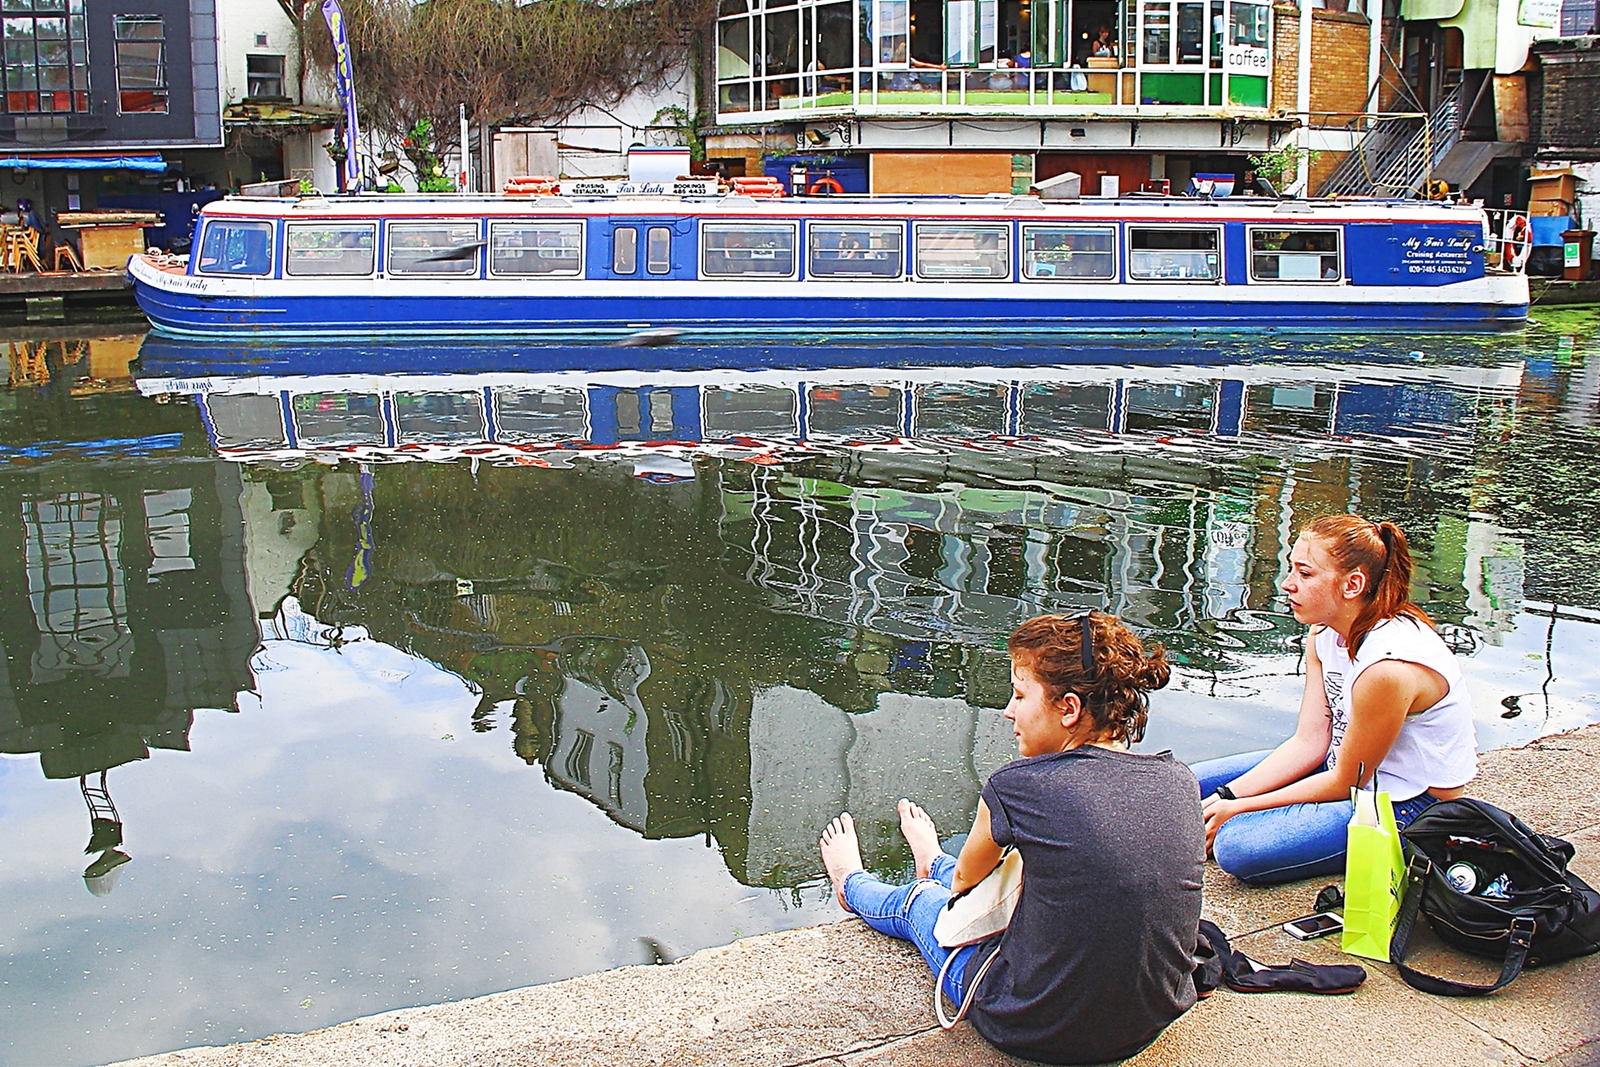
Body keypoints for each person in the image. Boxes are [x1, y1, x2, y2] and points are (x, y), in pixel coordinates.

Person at [818, 611, 1204, 1065]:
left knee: (921, 902)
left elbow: (962, 892)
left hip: (1034, 1026)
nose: (1008, 710)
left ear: (1069, 709)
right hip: (1148, 1021)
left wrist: (951, 876)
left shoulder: (1019, 786)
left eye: (1020, 695)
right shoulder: (1178, 779)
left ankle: (853, 884)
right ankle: (934, 857)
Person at [1192, 514, 1477, 885]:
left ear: (1352, 584)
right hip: (1340, 768)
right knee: (1182, 787)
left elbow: (1348, 781)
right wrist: (1227, 796)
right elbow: (1310, 743)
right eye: (1291, 569)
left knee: (1237, 847)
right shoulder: (1324, 634)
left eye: (1305, 574)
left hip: (1408, 803)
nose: (1287, 584)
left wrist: (1238, 808)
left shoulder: (1387, 669)